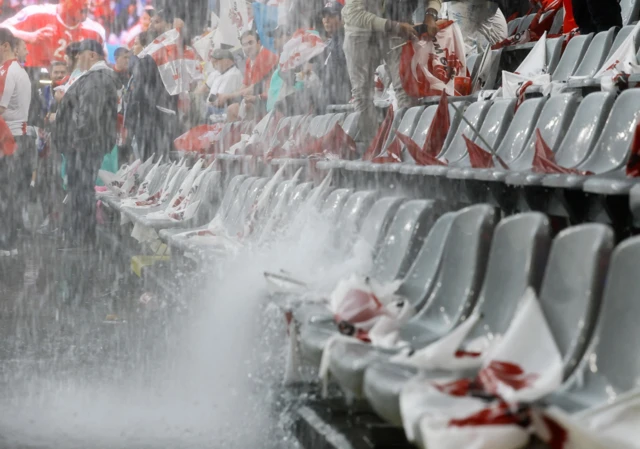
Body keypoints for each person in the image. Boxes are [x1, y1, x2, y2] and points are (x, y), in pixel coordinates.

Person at [342, 0, 441, 146]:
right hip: (360, 28)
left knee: (406, 86)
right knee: (362, 93)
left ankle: (407, 142)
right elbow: (354, 14)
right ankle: (373, 146)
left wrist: (430, 15)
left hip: (397, 21)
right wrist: (394, 26)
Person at [54, 39, 118, 247]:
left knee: (81, 191)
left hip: (84, 147)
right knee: (80, 191)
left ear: (92, 55)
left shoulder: (96, 78)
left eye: (80, 54)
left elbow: (88, 116)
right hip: (85, 146)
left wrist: (76, 142)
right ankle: (80, 236)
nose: (77, 59)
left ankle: (80, 238)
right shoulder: (94, 77)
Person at [0, 28, 32, 256]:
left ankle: (7, 242)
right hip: (18, 138)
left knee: (6, 195)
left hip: (8, 141)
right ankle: (11, 242)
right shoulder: (19, 70)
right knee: (12, 194)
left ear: (4, 46)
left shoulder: (7, 70)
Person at [0, 0, 106, 69]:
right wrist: (30, 37)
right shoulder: (37, 14)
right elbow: (3, 29)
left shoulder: (96, 32)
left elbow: (102, 66)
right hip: (34, 79)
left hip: (73, 88)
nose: (88, 3)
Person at [319, 1, 351, 108]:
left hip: (344, 104)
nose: (326, 20)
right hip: (332, 103)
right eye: (324, 16)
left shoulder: (346, 41)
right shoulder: (330, 43)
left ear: (342, 18)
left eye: (331, 16)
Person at [205, 49, 243, 118]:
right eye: (213, 63)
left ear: (226, 61)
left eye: (216, 62)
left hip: (223, 110)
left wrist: (208, 104)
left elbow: (219, 101)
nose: (214, 65)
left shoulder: (233, 74)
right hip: (213, 109)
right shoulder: (220, 74)